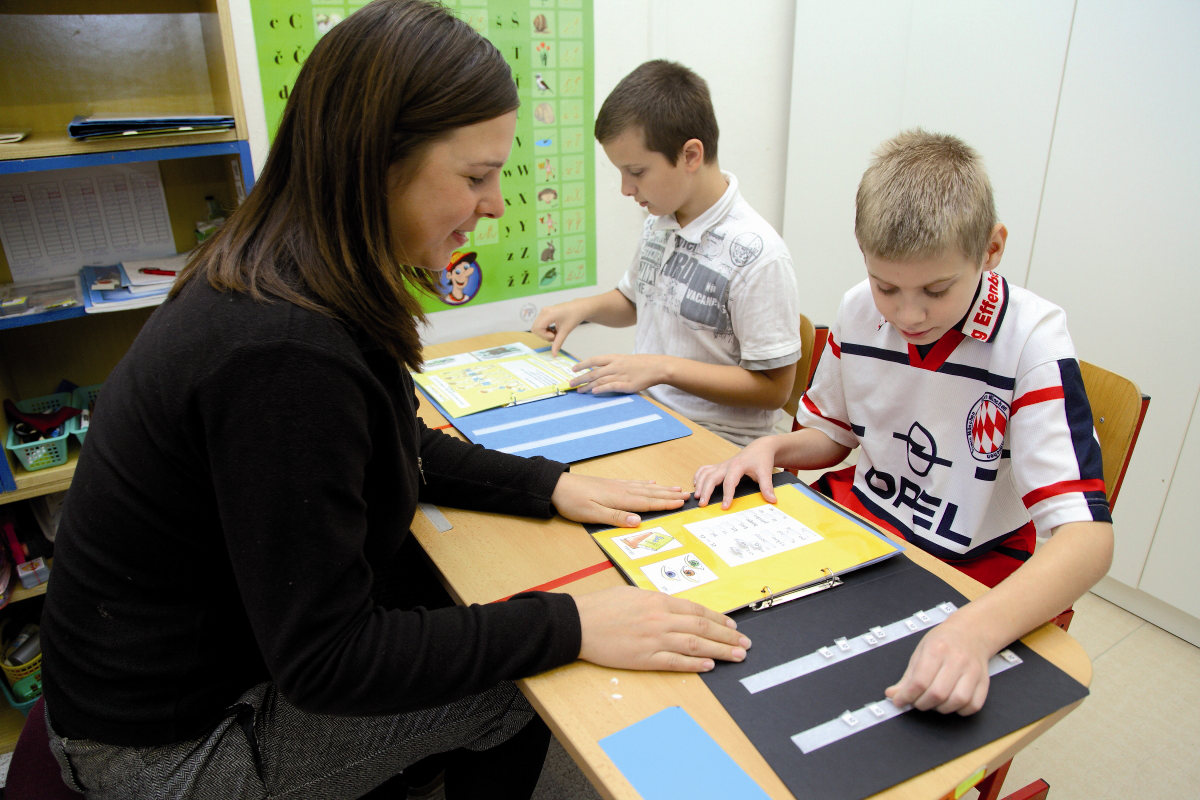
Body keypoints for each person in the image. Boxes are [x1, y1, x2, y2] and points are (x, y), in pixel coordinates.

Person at [38, 4, 752, 799]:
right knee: (518, 689)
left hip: (186, 675)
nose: (495, 206)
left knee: (449, 599)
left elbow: (397, 442)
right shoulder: (281, 352)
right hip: (169, 747)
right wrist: (575, 623)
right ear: (375, 162)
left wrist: (547, 484)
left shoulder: (294, 273)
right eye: (477, 176)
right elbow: (327, 659)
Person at [692, 130, 1113, 717]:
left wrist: (974, 632)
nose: (907, 314)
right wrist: (775, 448)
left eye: (936, 290)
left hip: (973, 555)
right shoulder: (858, 310)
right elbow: (833, 436)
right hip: (865, 520)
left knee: (876, 705)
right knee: (734, 634)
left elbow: (1086, 540)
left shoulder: (1031, 342)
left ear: (991, 250)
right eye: (886, 285)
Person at [532, 60, 802, 446]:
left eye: (637, 172)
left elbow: (774, 390)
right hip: (648, 411)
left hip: (717, 439)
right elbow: (637, 299)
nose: (626, 188)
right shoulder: (661, 219)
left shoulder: (758, 255)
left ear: (691, 155)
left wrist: (661, 368)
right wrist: (581, 308)